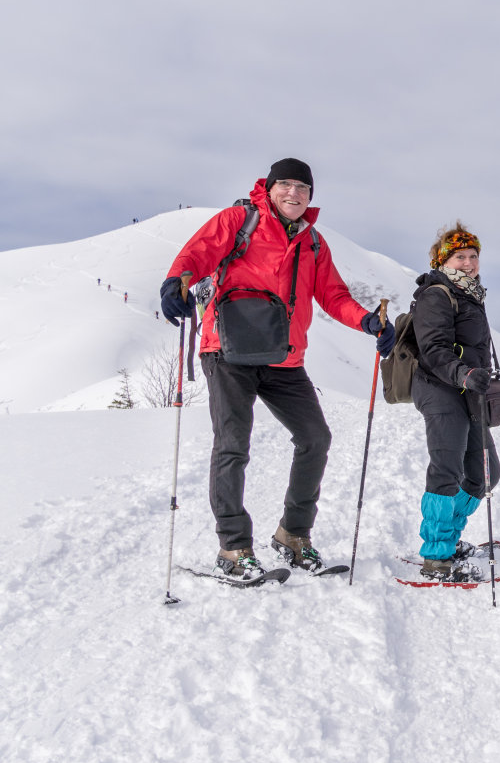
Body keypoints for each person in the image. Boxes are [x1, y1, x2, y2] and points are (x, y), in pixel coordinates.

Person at [159, 158, 396, 581]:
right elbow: (198, 253)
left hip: (283, 357)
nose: (293, 193)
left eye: (302, 188)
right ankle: (233, 547)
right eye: (285, 184)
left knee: (315, 438)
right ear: (268, 188)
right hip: (227, 351)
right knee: (233, 445)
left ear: (310, 197)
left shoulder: (314, 243)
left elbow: (333, 294)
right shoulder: (239, 220)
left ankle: (292, 535)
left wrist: (366, 320)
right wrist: (176, 281)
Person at [409, 223, 500, 582]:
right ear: (442, 260)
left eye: (473, 256)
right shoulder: (436, 294)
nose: (468, 262)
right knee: (447, 471)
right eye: (459, 256)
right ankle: (437, 556)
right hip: (439, 388)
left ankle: (449, 535)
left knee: (484, 473)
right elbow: (432, 351)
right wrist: (463, 374)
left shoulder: (471, 295)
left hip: (470, 390)